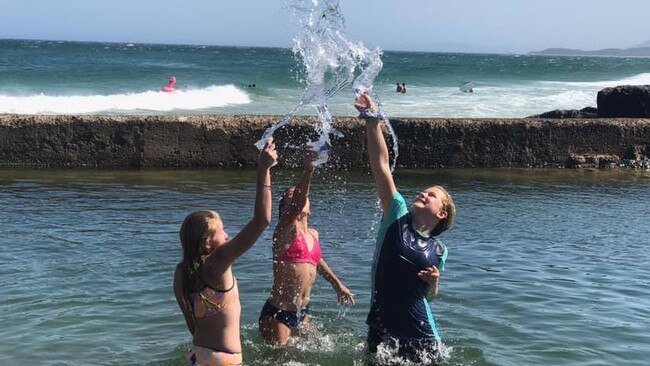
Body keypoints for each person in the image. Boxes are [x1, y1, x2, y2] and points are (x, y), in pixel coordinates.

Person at [354, 92, 456, 364]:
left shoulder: (440, 250)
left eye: (431, 195)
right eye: (424, 191)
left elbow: (430, 297)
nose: (424, 193)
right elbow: (381, 166)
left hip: (421, 335)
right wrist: (372, 121)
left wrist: (434, 282)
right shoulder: (396, 214)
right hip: (381, 329)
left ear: (441, 213)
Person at [173, 138, 278, 366]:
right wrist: (263, 170)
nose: (228, 236)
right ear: (207, 244)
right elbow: (262, 221)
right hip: (225, 361)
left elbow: (192, 325)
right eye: (222, 231)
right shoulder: (218, 262)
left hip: (196, 356)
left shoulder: (181, 272)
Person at [259, 147, 355, 346]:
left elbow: (316, 261)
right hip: (278, 312)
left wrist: (337, 284)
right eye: (292, 198)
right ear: (285, 208)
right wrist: (308, 170)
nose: (298, 200)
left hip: (302, 312)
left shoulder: (313, 234)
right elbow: (296, 205)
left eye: (300, 196)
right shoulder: (284, 231)